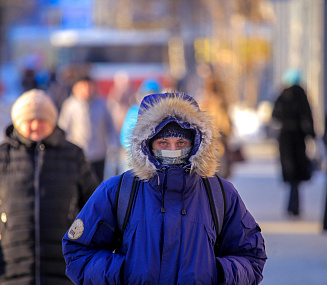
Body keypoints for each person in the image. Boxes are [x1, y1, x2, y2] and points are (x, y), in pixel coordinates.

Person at [62, 92, 267, 284]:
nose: (172, 150)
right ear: (147, 144)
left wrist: (217, 272)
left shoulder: (220, 193)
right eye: (162, 142)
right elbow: (78, 252)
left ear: (196, 143)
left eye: (180, 143)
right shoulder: (117, 191)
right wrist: (123, 271)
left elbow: (251, 256)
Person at [0, 89, 99, 285]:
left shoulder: (72, 155)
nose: (36, 125)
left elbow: (94, 205)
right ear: (17, 122)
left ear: (53, 122)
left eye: (42, 119)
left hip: (63, 265)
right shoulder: (3, 157)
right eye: (29, 120)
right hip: (12, 265)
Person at [58, 76, 120, 182]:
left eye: (89, 86)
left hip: (98, 154)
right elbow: (63, 129)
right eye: (83, 86)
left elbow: (111, 127)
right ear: (76, 88)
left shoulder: (102, 104)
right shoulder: (70, 106)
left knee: (97, 185)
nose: (86, 89)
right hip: (76, 154)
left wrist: (114, 145)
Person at [272, 69, 315, 217]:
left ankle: (291, 205)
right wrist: (311, 135)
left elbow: (275, 116)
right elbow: (308, 117)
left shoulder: (282, 95)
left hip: (285, 139)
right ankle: (294, 205)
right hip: (298, 138)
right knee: (297, 174)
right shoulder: (301, 95)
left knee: (290, 172)